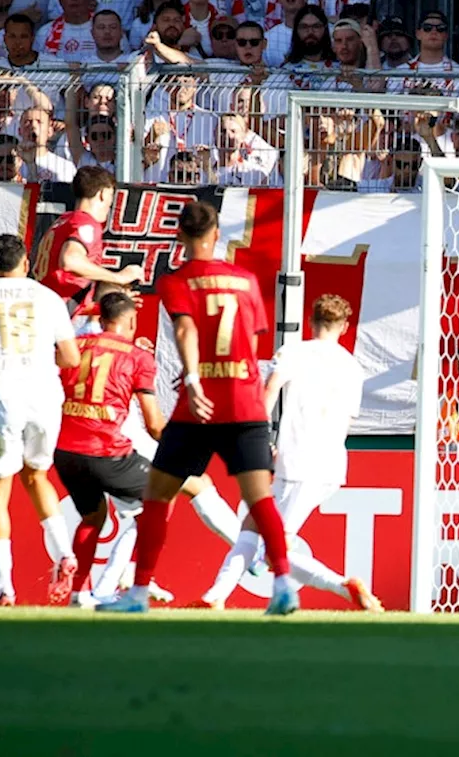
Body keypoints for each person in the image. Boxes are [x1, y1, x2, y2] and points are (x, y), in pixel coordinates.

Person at [97, 201, 299, 615]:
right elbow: (253, 340)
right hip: (243, 403)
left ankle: (136, 593)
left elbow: (187, 329)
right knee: (259, 499)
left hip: (199, 407)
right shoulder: (244, 280)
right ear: (215, 234)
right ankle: (283, 587)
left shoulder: (177, 281)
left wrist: (193, 376)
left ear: (179, 237)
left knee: (156, 496)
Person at [199, 294, 382, 611]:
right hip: (330, 463)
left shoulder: (294, 351)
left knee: (272, 547)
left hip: (298, 462)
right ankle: (214, 597)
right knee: (252, 527)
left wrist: (258, 440)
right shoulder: (353, 367)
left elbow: (268, 392)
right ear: (344, 326)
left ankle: (342, 586)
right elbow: (348, 420)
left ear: (311, 321)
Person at [0, 235, 81, 606]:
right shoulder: (48, 298)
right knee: (38, 475)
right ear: (26, 264)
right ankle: (65, 554)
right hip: (44, 396)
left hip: (2, 396)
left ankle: (3, 586)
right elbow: (71, 357)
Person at [51, 292, 164, 609]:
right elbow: (154, 424)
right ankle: (134, 584)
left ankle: (78, 594)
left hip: (65, 452)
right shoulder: (138, 357)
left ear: (100, 320)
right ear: (131, 321)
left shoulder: (75, 346)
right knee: (160, 499)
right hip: (106, 450)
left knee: (92, 517)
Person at [31, 166, 144, 320]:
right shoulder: (86, 224)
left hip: (41, 309)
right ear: (103, 194)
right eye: (111, 196)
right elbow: (70, 260)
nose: (110, 205)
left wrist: (115, 304)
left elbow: (68, 288)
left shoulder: (63, 221)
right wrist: (118, 277)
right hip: (50, 317)